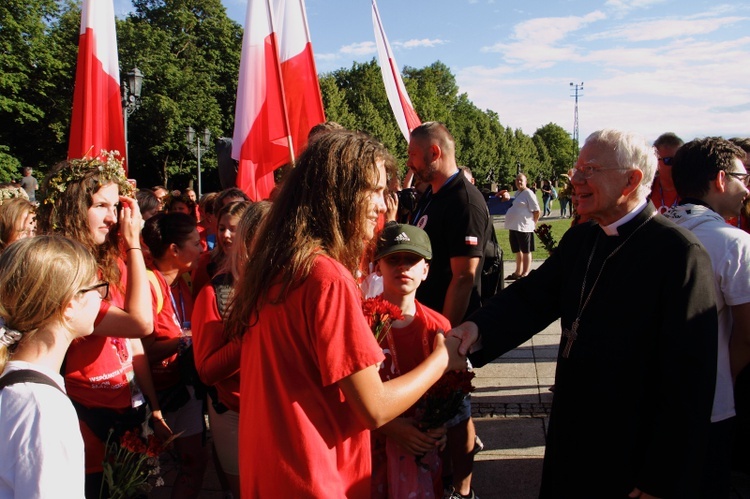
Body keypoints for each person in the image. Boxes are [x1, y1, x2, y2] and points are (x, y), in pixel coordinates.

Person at [449, 129, 718, 498]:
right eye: (576, 169)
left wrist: (661, 477)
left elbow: (691, 381)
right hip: (573, 432)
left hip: (632, 450)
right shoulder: (582, 239)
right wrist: (475, 329)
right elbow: (531, 298)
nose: (574, 180)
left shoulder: (679, 254)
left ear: (632, 179)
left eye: (589, 169)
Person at [224, 129, 465, 497]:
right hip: (317, 477)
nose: (384, 206)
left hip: (272, 472)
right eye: (374, 190)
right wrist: (442, 357)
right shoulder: (326, 277)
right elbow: (375, 407)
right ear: (338, 192)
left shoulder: (278, 266)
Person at [37, 153, 167, 498]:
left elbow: (134, 344)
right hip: (81, 416)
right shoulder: (59, 267)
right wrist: (135, 243)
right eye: (100, 205)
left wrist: (153, 407)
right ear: (73, 206)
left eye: (116, 206)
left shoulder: (113, 263)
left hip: (125, 409)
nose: (113, 218)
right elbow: (140, 323)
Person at [663, 137, 750, 498]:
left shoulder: (654, 229)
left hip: (654, 397)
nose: (746, 187)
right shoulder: (733, 242)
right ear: (719, 179)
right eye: (741, 177)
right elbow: (746, 336)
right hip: (711, 402)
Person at [407, 121, 488, 499]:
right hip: (426, 324)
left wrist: (446, 339)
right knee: (441, 410)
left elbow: (464, 277)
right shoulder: (432, 195)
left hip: (448, 332)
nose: (410, 163)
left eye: (413, 154)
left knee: (457, 412)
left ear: (434, 153)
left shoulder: (464, 201)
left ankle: (462, 490)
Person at [0, 236, 102, 498]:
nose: (101, 297)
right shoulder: (43, 409)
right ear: (70, 305)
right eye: (96, 288)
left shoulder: (15, 385)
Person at [192, 200, 271, 499]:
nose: (225, 235)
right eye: (222, 228)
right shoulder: (214, 294)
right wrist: (248, 338)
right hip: (234, 412)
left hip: (276, 411)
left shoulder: (284, 289)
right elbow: (207, 370)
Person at [370, 222, 452, 498]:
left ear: (425, 270)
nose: (402, 267)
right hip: (371, 452)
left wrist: (439, 426)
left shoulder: (438, 327)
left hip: (422, 453)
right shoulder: (361, 321)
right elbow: (343, 395)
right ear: (378, 266)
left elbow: (452, 390)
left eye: (411, 260)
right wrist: (390, 427)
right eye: (393, 259)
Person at [141, 212, 206, 498]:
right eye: (195, 242)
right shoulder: (148, 285)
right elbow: (142, 351)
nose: (203, 247)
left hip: (184, 390)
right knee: (147, 476)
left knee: (195, 464)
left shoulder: (185, 281)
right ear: (174, 250)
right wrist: (185, 340)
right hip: (153, 399)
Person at [191, 200, 249, 299]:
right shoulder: (206, 262)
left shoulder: (261, 265)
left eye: (233, 229)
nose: (225, 235)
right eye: (222, 229)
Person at [504, 173, 540, 280]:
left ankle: (525, 273)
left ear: (526, 181)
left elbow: (537, 210)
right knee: (517, 250)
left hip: (524, 227)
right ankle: (518, 271)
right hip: (514, 226)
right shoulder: (517, 193)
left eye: (521, 180)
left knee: (525, 250)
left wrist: (533, 223)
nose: (519, 182)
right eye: (517, 180)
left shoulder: (528, 193)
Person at [650, 132, 683, 214]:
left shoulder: (695, 192)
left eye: (680, 159)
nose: (676, 165)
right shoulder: (645, 192)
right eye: (669, 160)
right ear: (655, 162)